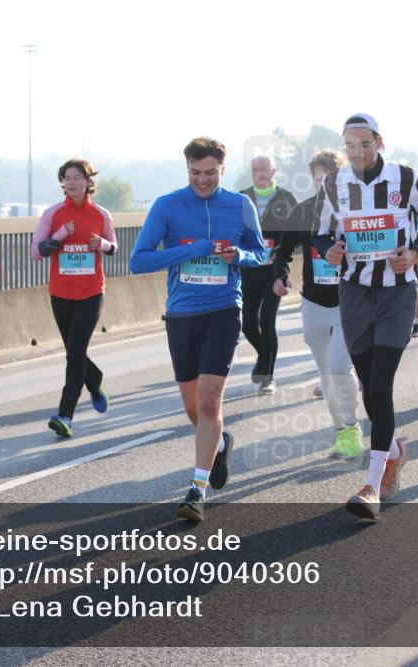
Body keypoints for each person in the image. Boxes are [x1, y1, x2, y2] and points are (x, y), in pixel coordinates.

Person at [129, 137, 266, 522]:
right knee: (193, 408)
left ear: (222, 170)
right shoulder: (167, 206)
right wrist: (193, 249)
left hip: (223, 311)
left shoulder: (240, 206)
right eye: (195, 173)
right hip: (181, 316)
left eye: (210, 173)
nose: (202, 180)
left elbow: (260, 253)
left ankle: (196, 490)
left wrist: (237, 255)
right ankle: (220, 444)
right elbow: (138, 262)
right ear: (187, 168)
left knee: (209, 403)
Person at [314, 113, 418, 520]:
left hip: (396, 295)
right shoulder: (333, 183)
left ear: (379, 143)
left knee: (382, 384)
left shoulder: (405, 179)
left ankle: (371, 485)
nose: (357, 152)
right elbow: (319, 232)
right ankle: (396, 452)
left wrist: (416, 252)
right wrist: (328, 250)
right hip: (353, 294)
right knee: (370, 388)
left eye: (364, 144)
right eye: (350, 145)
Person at [273, 150, 362, 459]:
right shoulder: (304, 211)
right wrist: (280, 278)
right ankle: (342, 432)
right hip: (313, 303)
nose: (322, 186)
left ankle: (352, 426)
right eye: (317, 180)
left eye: (328, 180)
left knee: (339, 368)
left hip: (348, 302)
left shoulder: (355, 211)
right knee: (326, 373)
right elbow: (283, 252)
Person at [30, 158, 117, 437]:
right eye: (67, 178)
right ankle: (95, 379)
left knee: (75, 353)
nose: (72, 182)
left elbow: (113, 246)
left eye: (78, 177)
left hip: (91, 292)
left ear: (89, 182)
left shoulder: (101, 214)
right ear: (62, 183)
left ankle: (65, 415)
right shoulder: (53, 214)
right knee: (74, 351)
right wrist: (59, 235)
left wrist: (100, 244)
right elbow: (36, 252)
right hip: (61, 292)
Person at [240, 155, 298, 394]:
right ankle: (264, 357)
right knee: (249, 325)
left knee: (267, 321)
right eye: (255, 169)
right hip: (249, 269)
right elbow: (234, 231)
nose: (259, 173)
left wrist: (281, 251)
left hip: (274, 272)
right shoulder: (242, 199)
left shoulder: (286, 198)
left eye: (263, 169)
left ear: (273, 171)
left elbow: (299, 234)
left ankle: (268, 376)